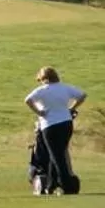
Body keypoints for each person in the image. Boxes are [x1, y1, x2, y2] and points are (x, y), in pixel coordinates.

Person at [25, 66, 85, 195]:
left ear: (44, 79)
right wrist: (72, 108)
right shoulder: (64, 87)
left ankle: (66, 185)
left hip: (50, 126)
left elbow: (28, 100)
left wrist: (39, 112)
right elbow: (82, 95)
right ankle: (51, 185)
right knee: (58, 153)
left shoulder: (42, 90)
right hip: (67, 124)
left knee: (57, 157)